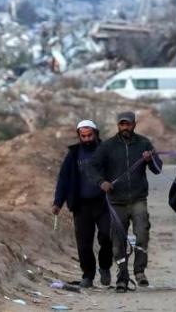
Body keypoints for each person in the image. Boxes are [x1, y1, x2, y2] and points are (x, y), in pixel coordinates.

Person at [85, 111, 163, 291]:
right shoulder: (108, 146)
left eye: (128, 124)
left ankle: (139, 271)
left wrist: (150, 159)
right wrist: (101, 182)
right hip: (116, 201)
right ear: (117, 126)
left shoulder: (144, 143)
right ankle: (122, 276)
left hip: (138, 199)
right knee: (118, 240)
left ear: (134, 124)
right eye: (122, 124)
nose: (125, 127)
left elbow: (157, 169)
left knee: (142, 233)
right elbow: (92, 167)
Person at [52, 120, 112, 288]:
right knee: (84, 243)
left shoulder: (106, 150)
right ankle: (88, 275)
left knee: (106, 237)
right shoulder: (73, 154)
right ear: (79, 136)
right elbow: (63, 180)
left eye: (89, 135)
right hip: (81, 205)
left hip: (104, 203)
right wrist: (58, 202)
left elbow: (118, 169)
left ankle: (105, 267)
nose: (86, 139)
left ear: (95, 133)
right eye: (83, 136)